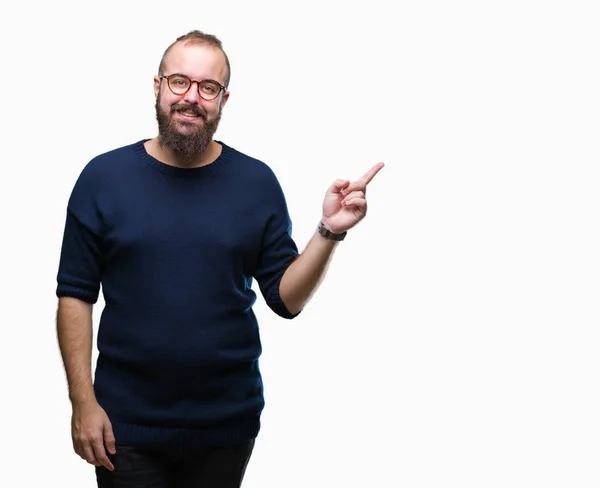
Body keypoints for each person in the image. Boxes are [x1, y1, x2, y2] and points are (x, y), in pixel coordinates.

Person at [55, 29, 384, 488]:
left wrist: (328, 231)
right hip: (123, 426)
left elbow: (285, 300)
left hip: (226, 427)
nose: (192, 98)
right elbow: (75, 294)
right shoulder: (102, 178)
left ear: (223, 99)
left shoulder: (256, 183)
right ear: (157, 86)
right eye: (179, 82)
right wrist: (82, 403)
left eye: (207, 88)